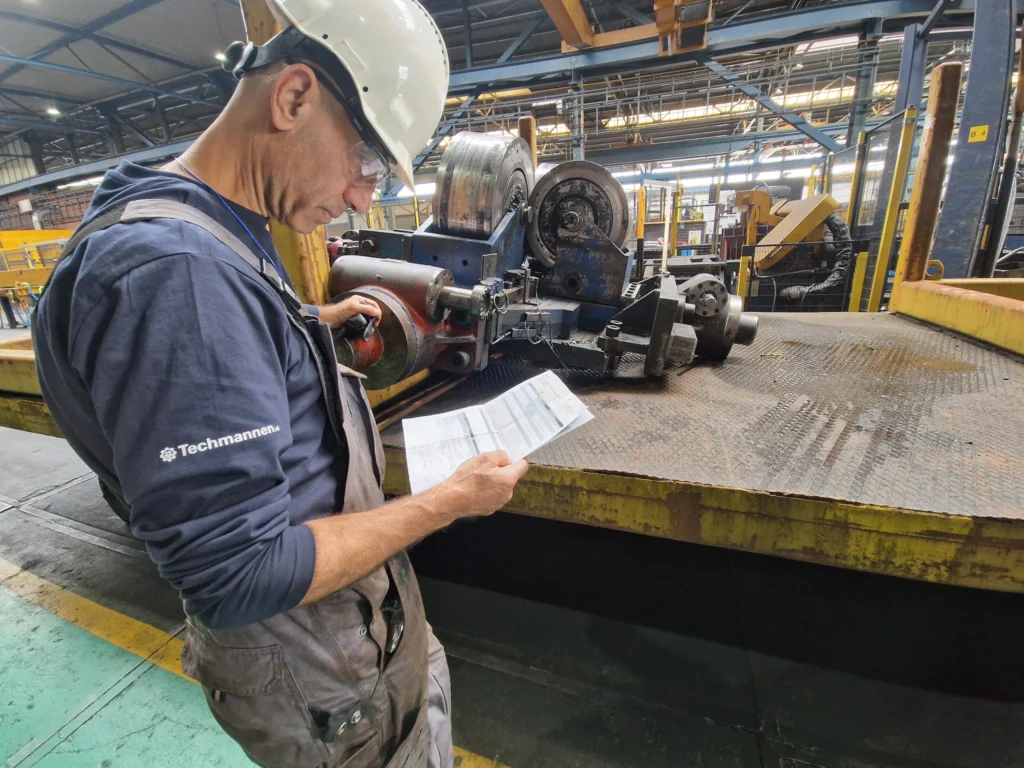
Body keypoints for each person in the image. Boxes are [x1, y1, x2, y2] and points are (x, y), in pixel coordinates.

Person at [31, 1, 530, 765]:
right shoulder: (177, 278)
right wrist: (448, 503)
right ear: (293, 96)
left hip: (349, 627)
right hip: (318, 673)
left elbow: (217, 341)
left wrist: (304, 320)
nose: (366, 196)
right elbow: (239, 572)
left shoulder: (197, 218)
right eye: (366, 163)